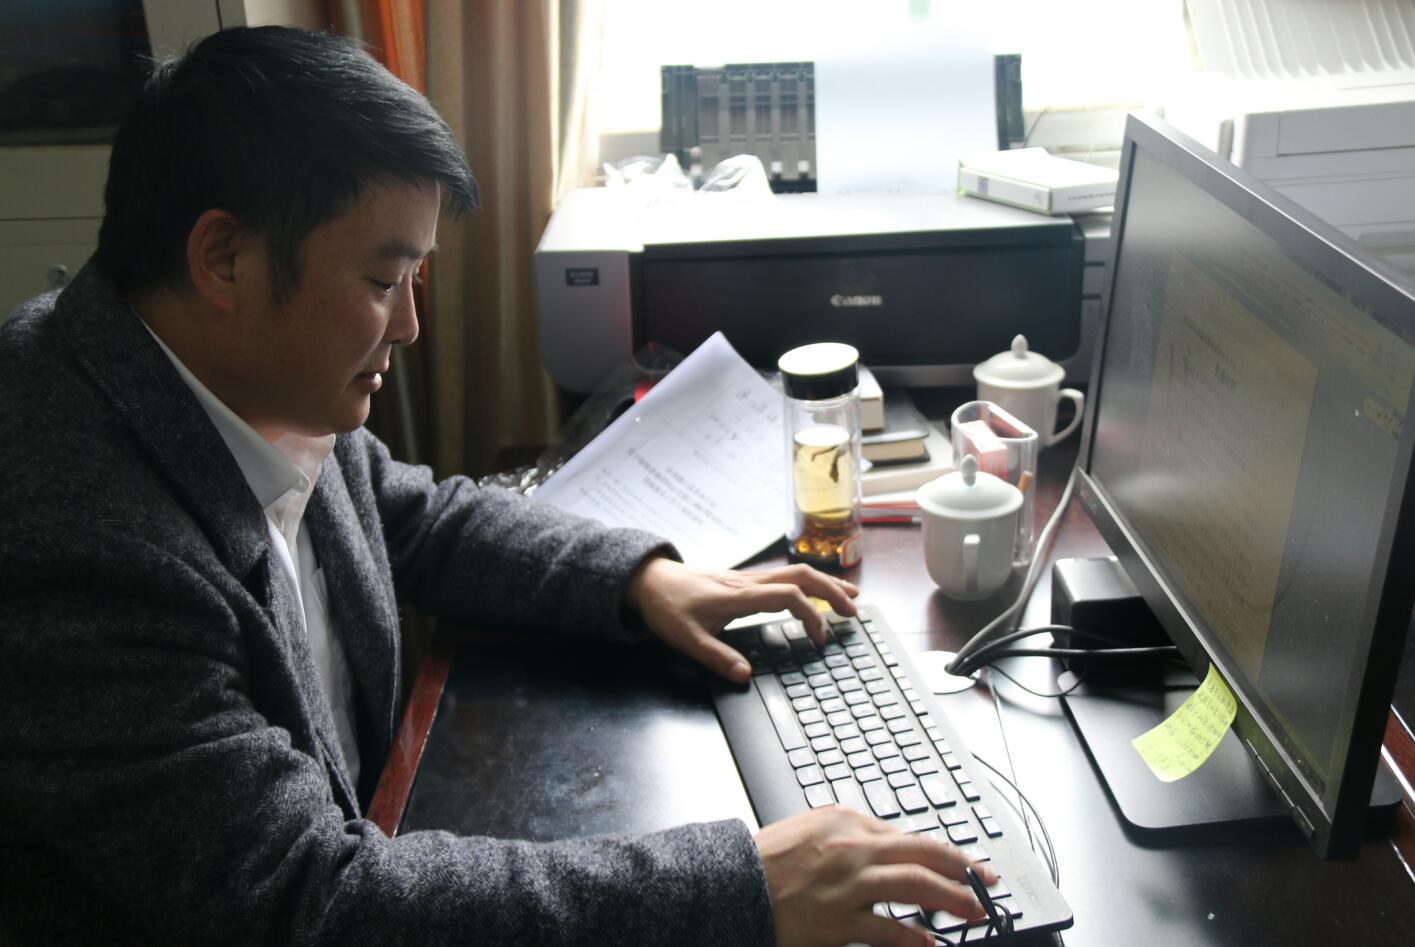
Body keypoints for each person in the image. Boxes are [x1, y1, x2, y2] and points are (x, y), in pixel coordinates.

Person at [0, 26, 992, 946]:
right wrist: (740, 885)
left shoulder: (238, 374)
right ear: (224, 259)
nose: (409, 328)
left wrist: (639, 579)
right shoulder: (68, 527)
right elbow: (307, 900)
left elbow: (407, 516)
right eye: (382, 282)